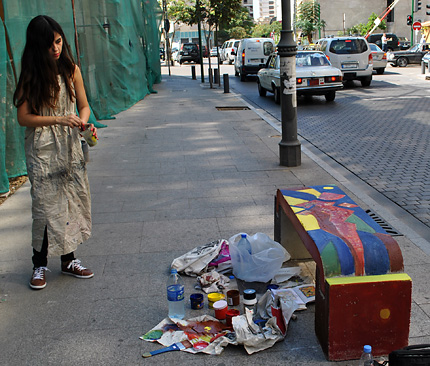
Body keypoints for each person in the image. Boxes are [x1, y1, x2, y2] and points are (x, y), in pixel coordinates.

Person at [13, 15, 97, 290]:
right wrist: (59, 119)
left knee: (70, 200)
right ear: (38, 47)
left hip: (70, 143)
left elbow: (83, 105)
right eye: (49, 45)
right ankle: (39, 263)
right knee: (44, 205)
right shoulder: (31, 74)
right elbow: (24, 118)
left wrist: (84, 122)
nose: (56, 48)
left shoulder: (71, 69)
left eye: (59, 41)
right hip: (42, 147)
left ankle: (68, 260)